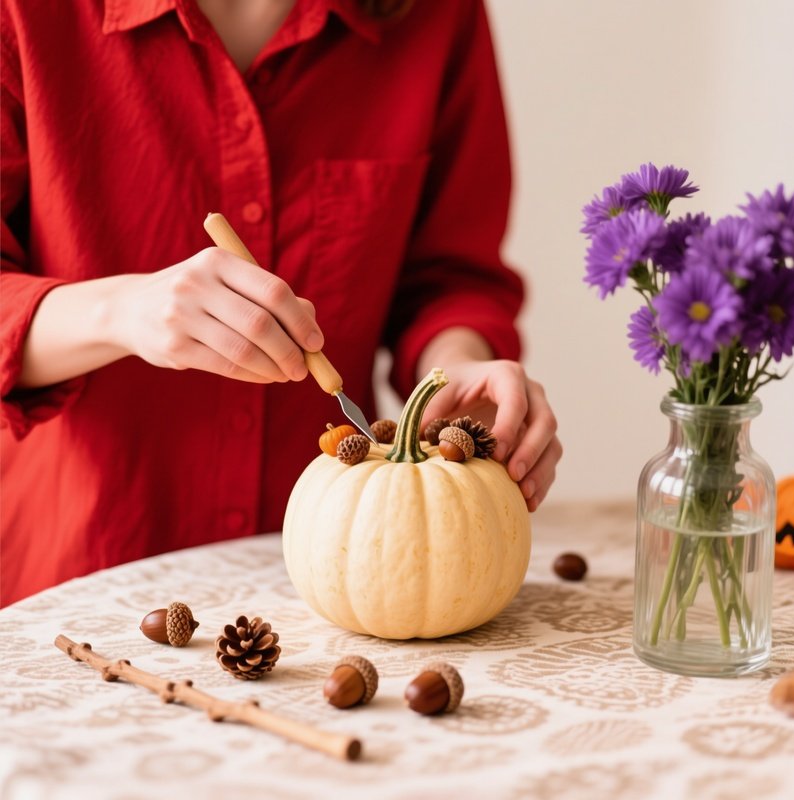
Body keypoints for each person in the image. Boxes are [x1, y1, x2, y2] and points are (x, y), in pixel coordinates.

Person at [0, 0, 562, 606]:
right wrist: (120, 312)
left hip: (336, 586)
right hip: (77, 571)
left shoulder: (436, 14)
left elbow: (447, 277)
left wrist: (459, 365)